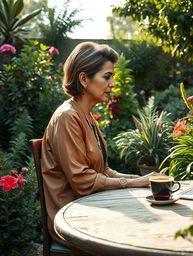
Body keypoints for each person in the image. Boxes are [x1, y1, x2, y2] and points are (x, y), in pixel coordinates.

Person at [41, 42, 163, 255]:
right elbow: (82, 181)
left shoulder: (86, 115)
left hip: (91, 206)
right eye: (107, 77)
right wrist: (133, 183)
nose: (113, 83)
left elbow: (104, 171)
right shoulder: (67, 117)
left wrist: (142, 180)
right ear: (84, 79)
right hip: (71, 218)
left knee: (155, 219)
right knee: (145, 233)